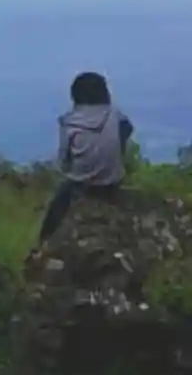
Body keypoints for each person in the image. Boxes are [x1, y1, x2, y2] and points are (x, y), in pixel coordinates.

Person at [35, 71, 134, 246]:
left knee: (58, 203)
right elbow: (127, 130)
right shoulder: (116, 116)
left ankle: (43, 243)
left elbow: (64, 162)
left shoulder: (69, 121)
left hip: (82, 185)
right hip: (113, 180)